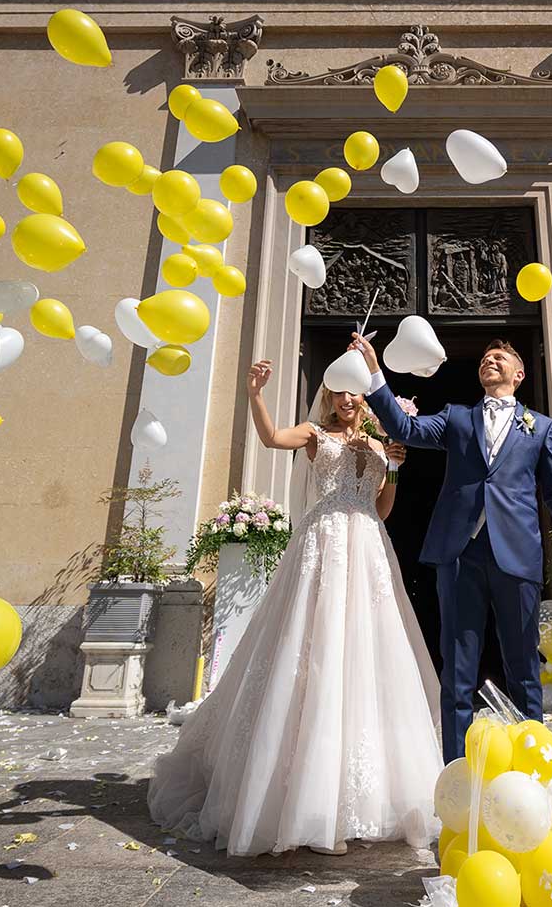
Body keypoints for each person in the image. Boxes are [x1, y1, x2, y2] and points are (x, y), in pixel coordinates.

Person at [148, 359, 440, 856]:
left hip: (366, 544)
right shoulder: (313, 433)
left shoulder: (375, 443)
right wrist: (255, 393)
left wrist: (392, 468)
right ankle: (294, 789)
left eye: (355, 393)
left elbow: (383, 509)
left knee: (368, 649)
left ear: (365, 398)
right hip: (322, 542)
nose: (348, 400)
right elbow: (270, 439)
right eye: (339, 392)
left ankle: (365, 794)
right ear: (328, 396)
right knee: (310, 644)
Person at [352, 332, 552, 764]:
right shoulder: (457, 418)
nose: (490, 361)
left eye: (500, 357)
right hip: (460, 553)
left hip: (517, 555)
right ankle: (456, 770)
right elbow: (405, 428)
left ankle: (529, 766)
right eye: (485, 358)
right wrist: (373, 372)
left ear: (519, 374)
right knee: (458, 668)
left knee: (522, 668)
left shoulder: (541, 427)